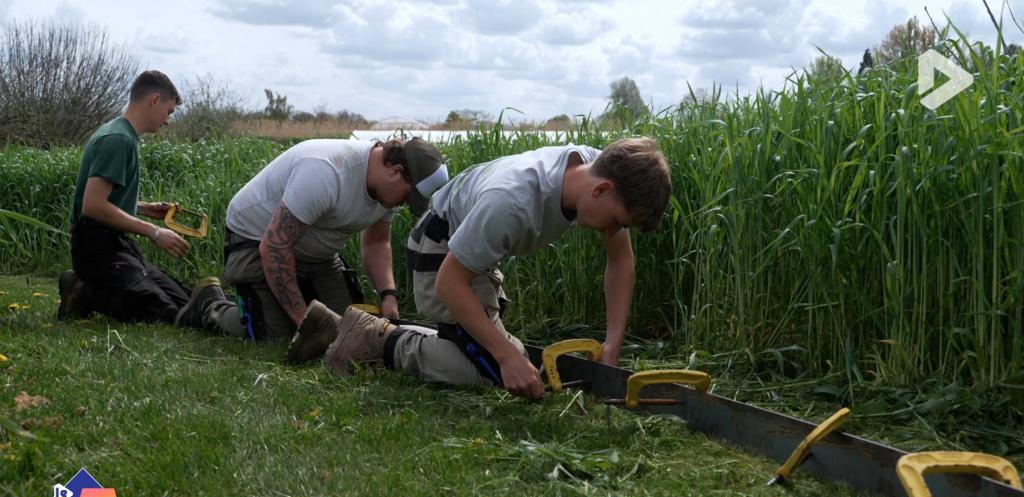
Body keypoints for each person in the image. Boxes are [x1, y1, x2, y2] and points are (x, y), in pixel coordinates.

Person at [293, 137, 671, 400]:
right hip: (438, 253)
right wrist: (505, 357)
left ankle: (430, 335)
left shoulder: (596, 168)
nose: (614, 231)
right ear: (602, 190)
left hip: (471, 252)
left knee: (506, 358)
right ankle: (373, 338)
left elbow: (621, 261)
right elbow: (449, 282)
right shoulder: (513, 200)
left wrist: (612, 344)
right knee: (490, 372)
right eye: (618, 221)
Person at [221, 137, 448, 350]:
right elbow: (275, 247)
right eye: (408, 197)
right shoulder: (326, 171)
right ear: (395, 171)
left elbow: (376, 243)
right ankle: (211, 304)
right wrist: (307, 323)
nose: (405, 204)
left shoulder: (389, 190)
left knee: (349, 328)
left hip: (318, 257)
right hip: (255, 241)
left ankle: (290, 301)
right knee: (277, 336)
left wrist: (388, 295)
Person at [57, 70, 239, 334]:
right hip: (96, 249)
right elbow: (92, 206)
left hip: (117, 245)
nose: (168, 121)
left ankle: (92, 286)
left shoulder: (121, 134)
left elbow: (103, 198)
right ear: (154, 100)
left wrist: (142, 208)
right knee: (159, 309)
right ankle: (81, 289)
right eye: (169, 111)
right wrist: (154, 232)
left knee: (182, 298)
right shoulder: (118, 140)